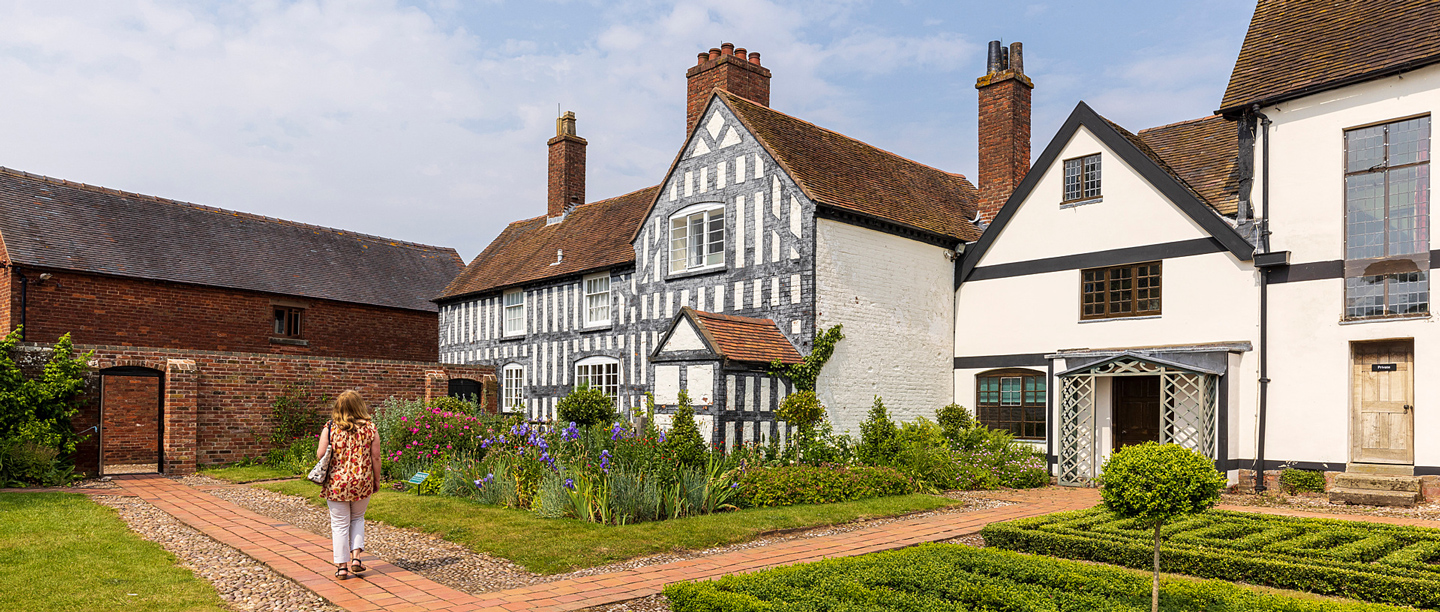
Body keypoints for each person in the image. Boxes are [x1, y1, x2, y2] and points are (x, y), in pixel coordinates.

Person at [317, 389, 382, 580]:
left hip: (336, 483)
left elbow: (321, 455)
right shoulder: (370, 428)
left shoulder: (330, 428)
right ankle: (356, 558)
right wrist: (376, 479)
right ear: (359, 406)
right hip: (361, 481)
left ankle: (342, 567)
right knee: (358, 518)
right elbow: (376, 457)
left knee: (339, 525)